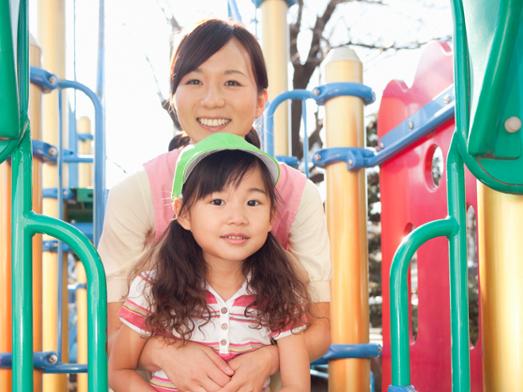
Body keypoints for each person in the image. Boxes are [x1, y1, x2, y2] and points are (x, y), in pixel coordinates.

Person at [99, 18, 331, 391]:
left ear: (260, 101)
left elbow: (320, 327)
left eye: (232, 81)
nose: (212, 99)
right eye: (194, 81)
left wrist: (268, 357)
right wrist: (168, 354)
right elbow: (114, 337)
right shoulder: (136, 193)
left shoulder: (298, 195)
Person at [108, 133, 311, 392]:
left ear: (271, 216)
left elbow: (297, 385)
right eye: (217, 201)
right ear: (183, 213)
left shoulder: (281, 290)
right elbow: (119, 370)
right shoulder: (154, 287)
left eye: (253, 202)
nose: (237, 217)